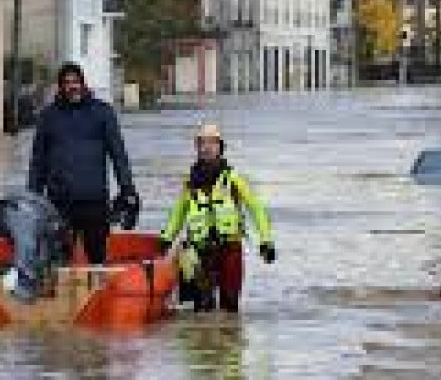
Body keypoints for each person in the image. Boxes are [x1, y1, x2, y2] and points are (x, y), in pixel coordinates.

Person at [29, 62, 139, 265]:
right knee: (59, 259)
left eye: (76, 82)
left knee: (97, 257)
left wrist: (128, 190)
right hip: (59, 203)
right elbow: (38, 162)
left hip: (94, 201)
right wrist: (32, 199)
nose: (73, 87)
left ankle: (99, 292)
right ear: (60, 87)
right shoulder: (48, 117)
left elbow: (118, 155)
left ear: (83, 83)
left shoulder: (103, 113)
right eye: (67, 83)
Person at [158, 123, 275, 313]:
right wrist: (166, 239)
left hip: (230, 249)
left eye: (212, 142)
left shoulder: (233, 179)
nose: (207, 147)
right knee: (202, 309)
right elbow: (179, 213)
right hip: (200, 251)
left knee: (230, 307)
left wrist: (266, 241)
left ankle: (229, 339)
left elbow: (256, 208)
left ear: (221, 147)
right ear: (197, 148)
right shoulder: (190, 181)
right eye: (202, 143)